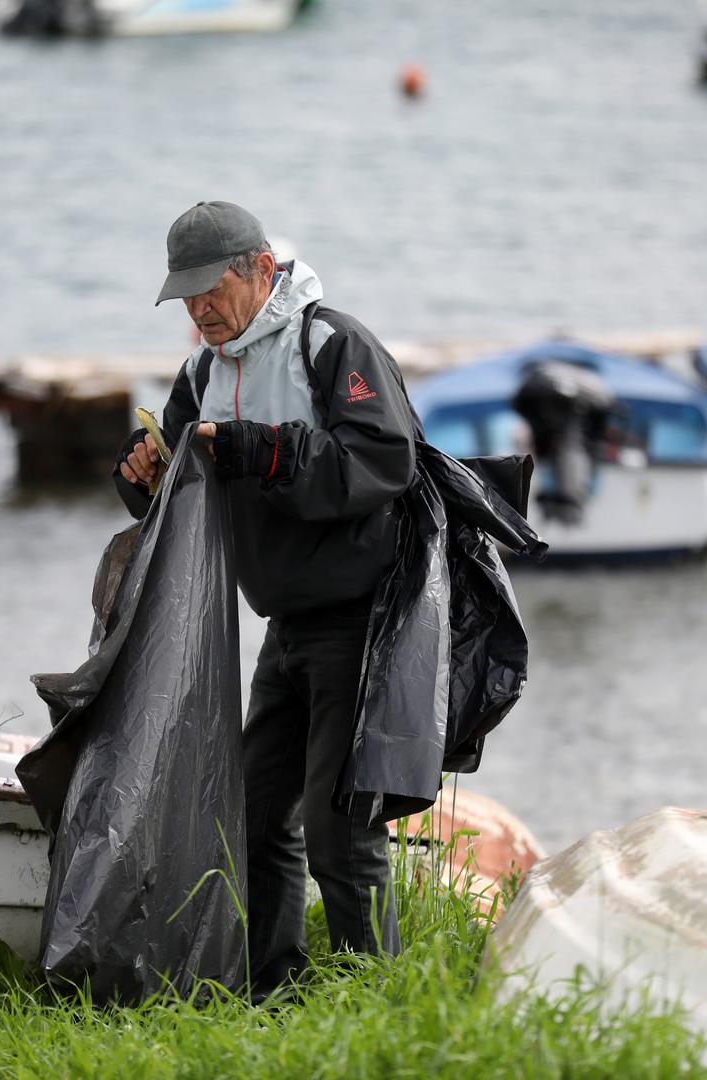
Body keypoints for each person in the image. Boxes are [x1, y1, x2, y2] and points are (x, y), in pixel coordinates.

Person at [114, 200, 419, 996]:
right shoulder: (201, 375)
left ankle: (376, 1003)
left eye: (210, 291)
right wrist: (138, 476)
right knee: (251, 817)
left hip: (361, 614)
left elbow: (384, 462)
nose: (199, 312)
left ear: (259, 268)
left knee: (339, 829)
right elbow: (174, 485)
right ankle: (274, 994)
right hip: (285, 623)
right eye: (186, 298)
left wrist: (267, 452)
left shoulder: (332, 343)